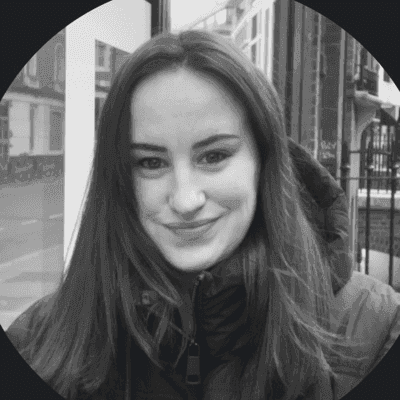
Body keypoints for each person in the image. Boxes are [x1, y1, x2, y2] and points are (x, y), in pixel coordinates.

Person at [5, 30, 400, 400]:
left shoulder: (374, 332)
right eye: (151, 162)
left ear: (263, 160)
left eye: (214, 156)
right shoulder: (36, 342)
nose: (185, 200)